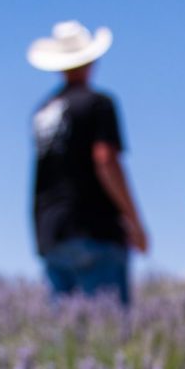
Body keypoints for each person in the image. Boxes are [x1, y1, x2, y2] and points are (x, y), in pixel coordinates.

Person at [28, 20, 148, 305]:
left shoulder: (42, 112)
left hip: (51, 232)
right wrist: (134, 221)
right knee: (106, 330)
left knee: (68, 337)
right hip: (95, 229)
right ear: (90, 60)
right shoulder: (98, 103)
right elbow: (106, 161)